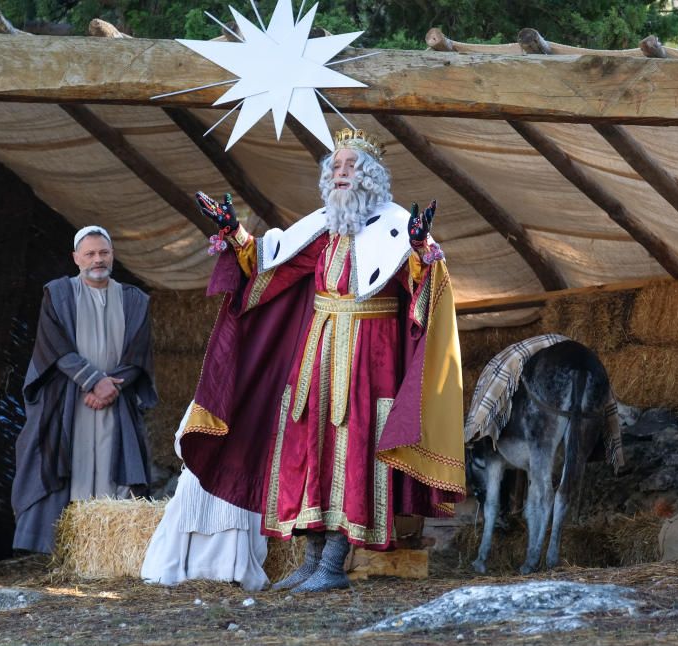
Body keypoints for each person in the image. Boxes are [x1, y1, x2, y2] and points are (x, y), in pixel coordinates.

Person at [180, 128, 465, 592]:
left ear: (371, 176)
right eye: (335, 166)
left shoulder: (397, 226)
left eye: (350, 166)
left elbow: (426, 289)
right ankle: (311, 562)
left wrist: (419, 251)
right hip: (314, 358)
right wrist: (235, 233)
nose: (340, 173)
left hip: (369, 364)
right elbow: (271, 268)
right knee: (307, 451)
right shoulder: (321, 228)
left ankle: (334, 565)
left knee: (351, 455)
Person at [11, 226, 157, 553]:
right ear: (76, 258)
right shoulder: (58, 294)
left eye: (103, 252)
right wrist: (93, 381)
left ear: (112, 255)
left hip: (114, 401)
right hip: (70, 401)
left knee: (115, 467)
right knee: (65, 464)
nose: (97, 259)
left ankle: (111, 550)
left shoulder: (134, 300)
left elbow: (138, 352)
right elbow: (55, 345)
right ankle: (67, 549)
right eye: (89, 253)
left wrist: (111, 386)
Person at [141, 403, 269, 591]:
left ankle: (224, 569)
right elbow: (184, 443)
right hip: (208, 475)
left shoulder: (259, 397)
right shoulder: (209, 397)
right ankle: (223, 570)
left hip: (238, 476)